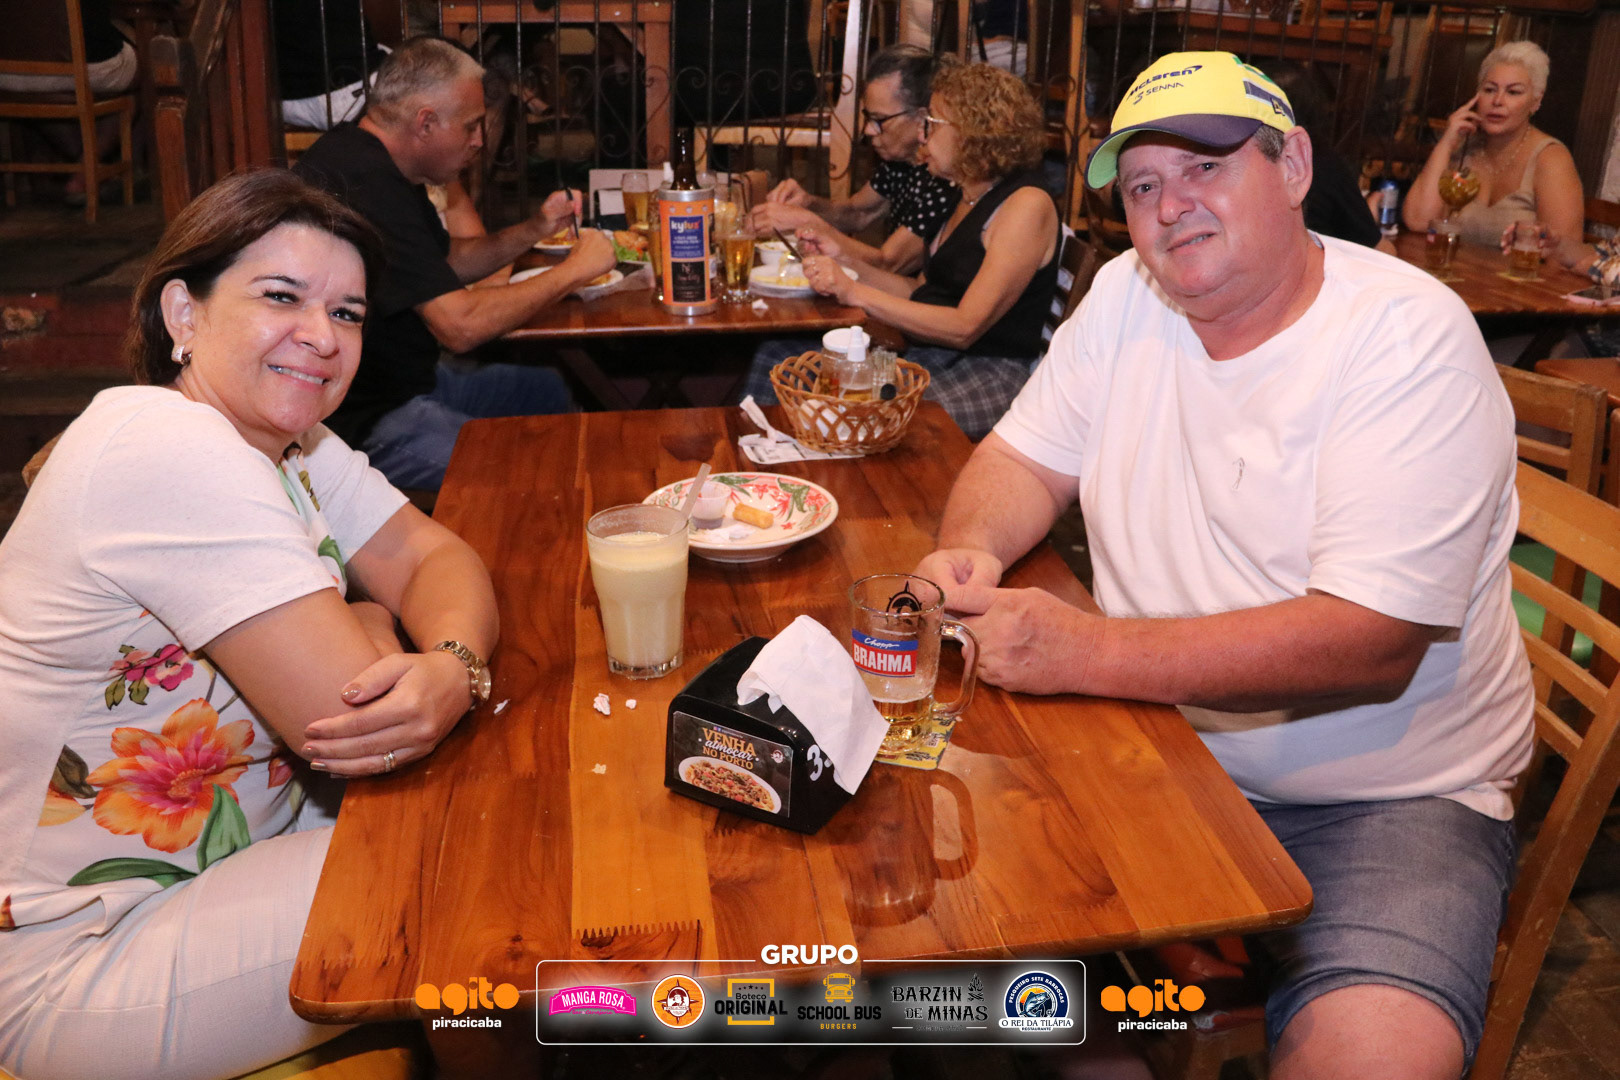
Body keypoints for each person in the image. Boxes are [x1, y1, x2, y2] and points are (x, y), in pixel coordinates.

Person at [916, 51, 1533, 1080]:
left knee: (1374, 1059)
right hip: (1156, 750)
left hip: (1387, 797)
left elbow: (1370, 642)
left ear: (1291, 167)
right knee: (947, 938)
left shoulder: (1405, 337)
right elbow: (1021, 459)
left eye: (1204, 166)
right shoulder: (1127, 296)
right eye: (1143, 185)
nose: (1171, 207)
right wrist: (969, 551)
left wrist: (1082, 652)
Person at [0, 169, 499, 1079]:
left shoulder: (293, 444)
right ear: (181, 313)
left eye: (346, 313)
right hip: (76, 956)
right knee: (473, 877)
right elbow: (355, 723)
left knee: (489, 825)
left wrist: (454, 660)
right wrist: (372, 618)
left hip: (241, 869)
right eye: (281, 297)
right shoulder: (167, 443)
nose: (322, 335)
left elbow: (438, 557)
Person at [294, 36, 615, 491]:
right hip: (358, 423)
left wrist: (534, 229)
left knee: (544, 391)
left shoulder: (378, 162)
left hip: (407, 383)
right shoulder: (361, 181)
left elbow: (445, 262)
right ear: (426, 122)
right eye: (471, 126)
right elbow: (460, 327)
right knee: (531, 470)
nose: (480, 141)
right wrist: (574, 271)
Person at [742, 62, 1060, 441]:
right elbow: (919, 291)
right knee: (777, 358)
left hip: (988, 373)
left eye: (933, 124)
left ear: (974, 131)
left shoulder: (1025, 205)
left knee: (872, 417)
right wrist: (842, 258)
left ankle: (812, 471)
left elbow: (964, 327)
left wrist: (854, 291)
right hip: (929, 358)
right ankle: (761, 464)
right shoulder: (966, 193)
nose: (922, 136)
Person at [752, 45, 960, 275]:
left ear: (922, 118)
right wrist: (808, 204)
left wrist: (807, 222)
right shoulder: (901, 160)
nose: (868, 130)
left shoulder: (946, 176)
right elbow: (857, 213)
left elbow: (890, 262)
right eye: (868, 117)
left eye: (880, 119)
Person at [1403, 40, 1582, 249]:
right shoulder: (1464, 149)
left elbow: (1564, 252)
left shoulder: (1551, 159)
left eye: (1513, 92)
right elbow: (1419, 221)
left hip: (1517, 271)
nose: (1497, 101)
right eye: (1489, 90)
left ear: (1535, 101)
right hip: (1454, 267)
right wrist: (1446, 143)